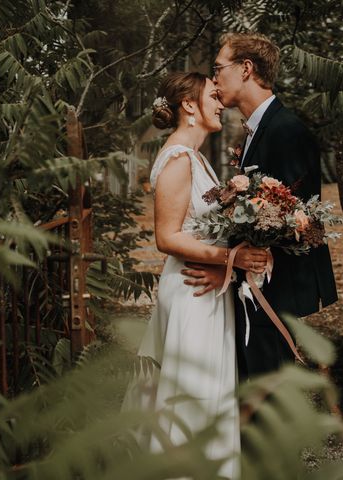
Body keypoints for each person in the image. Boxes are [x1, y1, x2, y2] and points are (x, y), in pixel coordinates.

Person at [121, 71, 267, 480]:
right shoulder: (178, 159)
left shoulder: (196, 156)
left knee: (209, 397)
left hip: (206, 289)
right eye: (211, 96)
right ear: (190, 105)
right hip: (190, 294)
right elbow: (166, 238)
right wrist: (231, 258)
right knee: (193, 399)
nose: (220, 102)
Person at [182, 33, 338, 380]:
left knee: (265, 399)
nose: (216, 77)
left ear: (246, 69)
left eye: (219, 68)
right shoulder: (259, 130)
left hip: (277, 291)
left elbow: (294, 221)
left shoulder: (285, 130)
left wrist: (227, 270)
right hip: (259, 286)